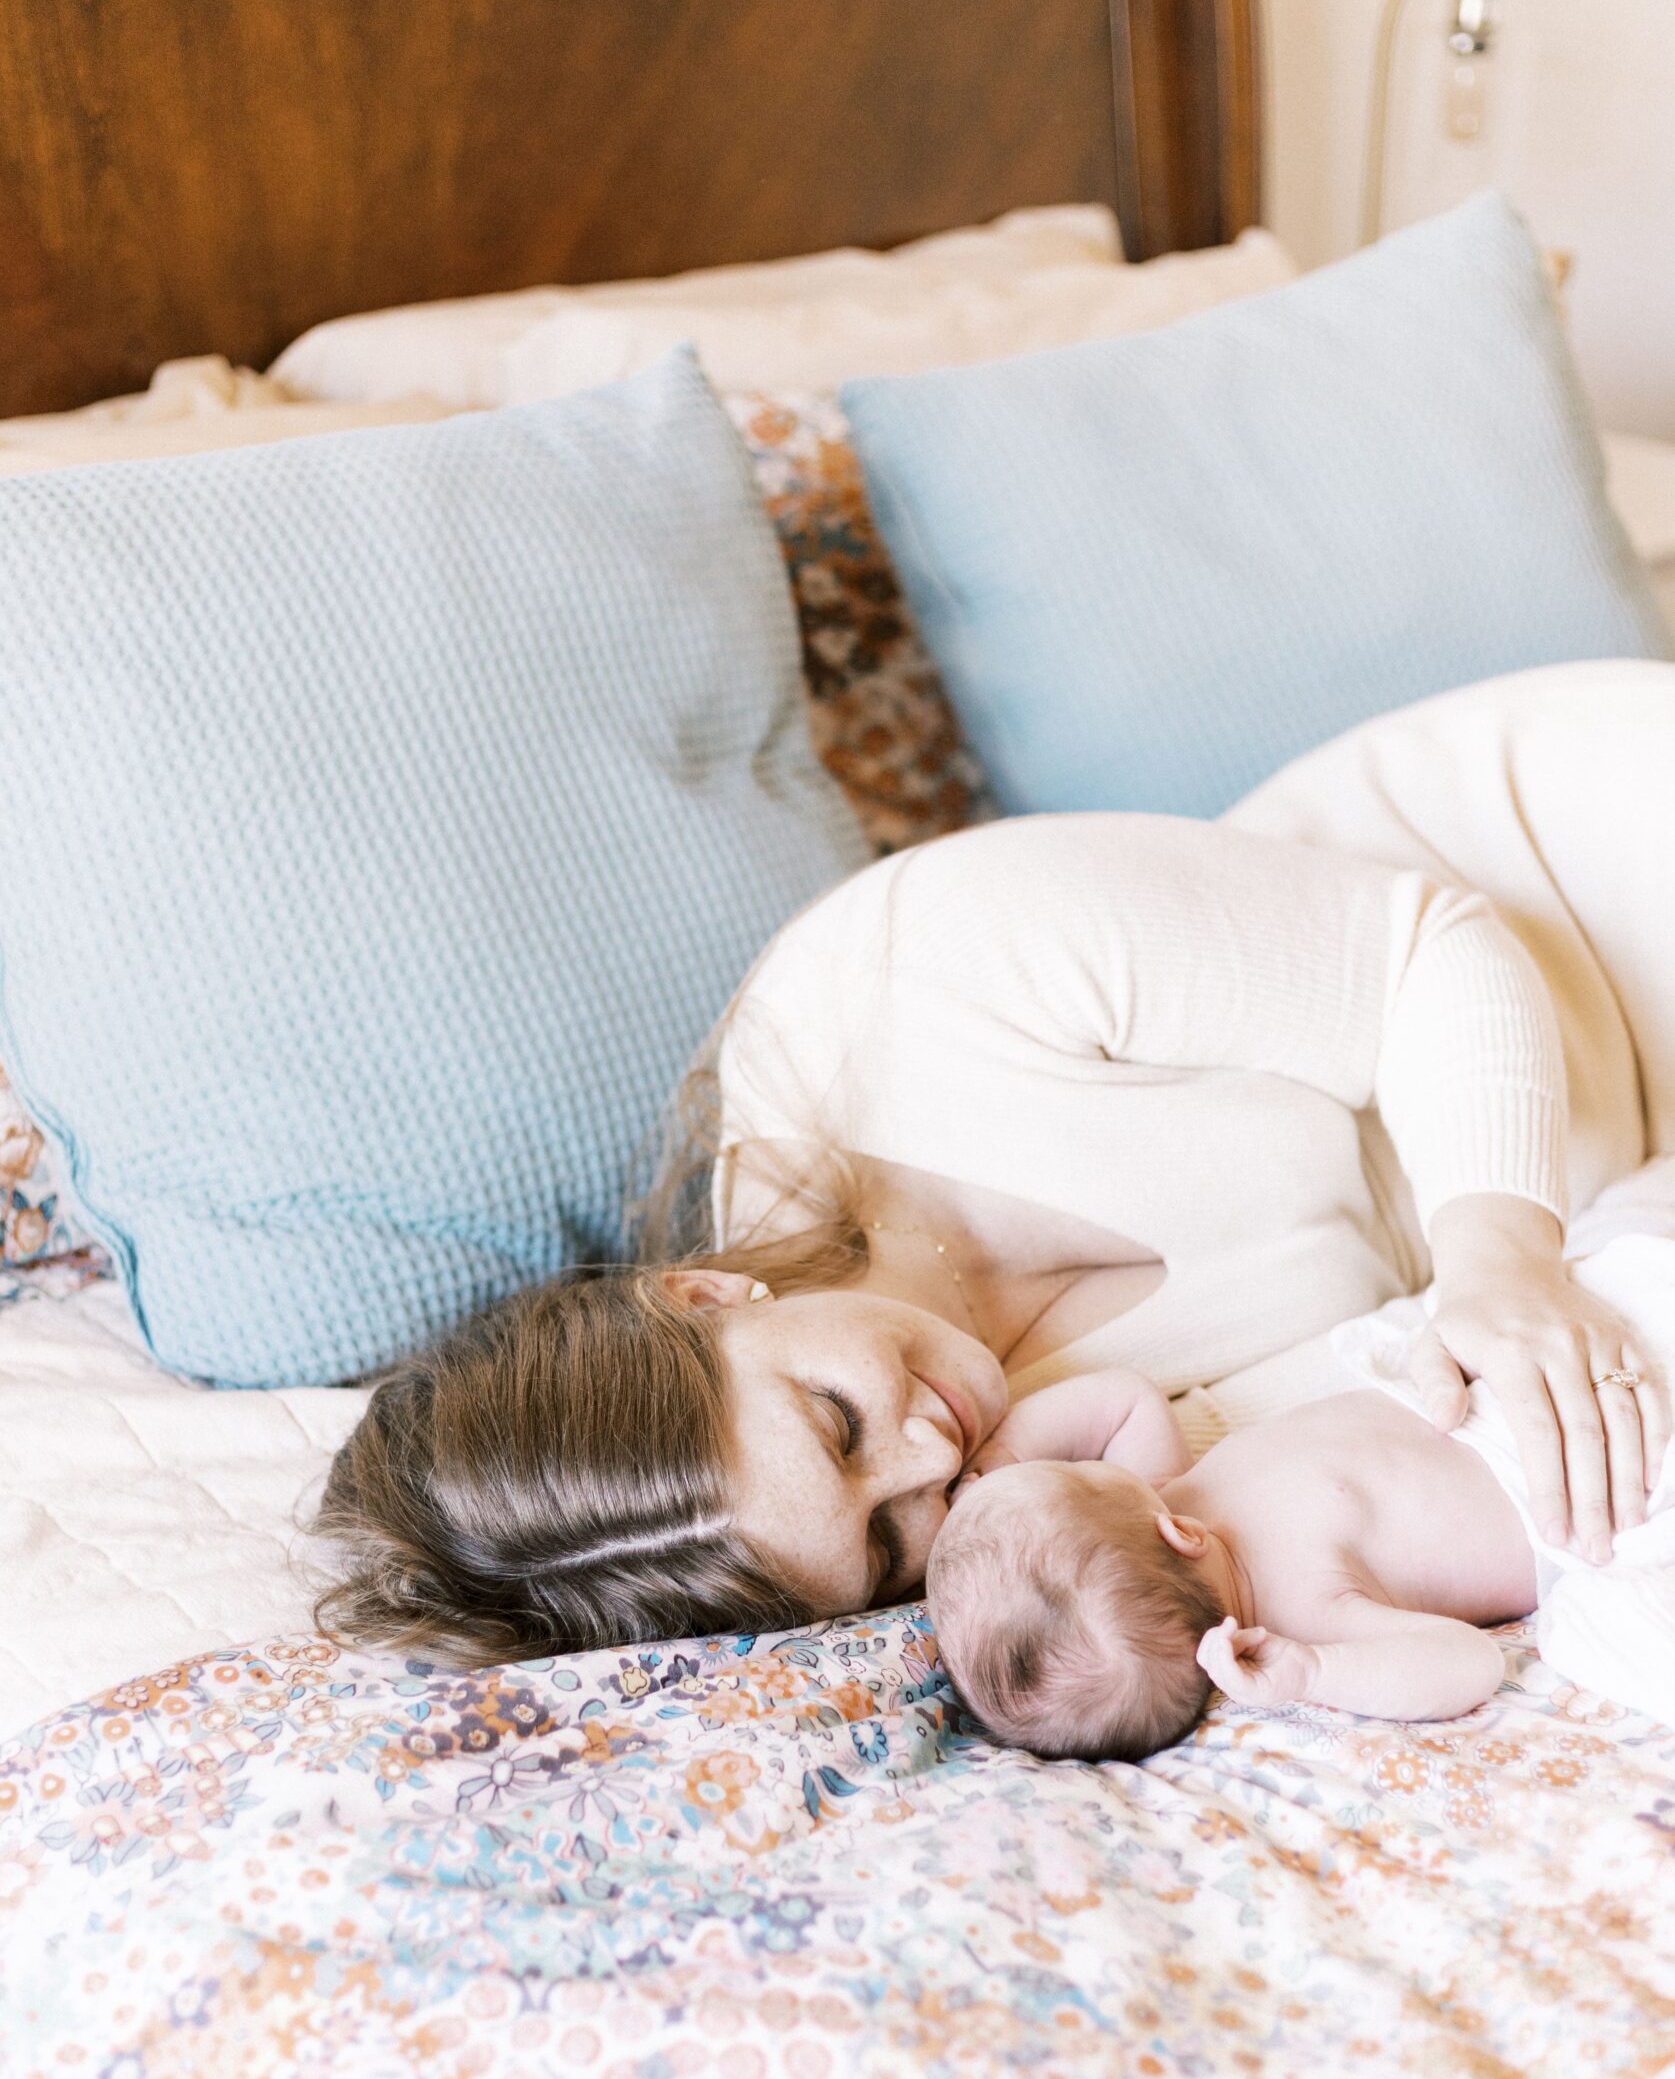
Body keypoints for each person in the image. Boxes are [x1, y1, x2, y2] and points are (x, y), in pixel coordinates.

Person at [315, 663, 1675, 1667]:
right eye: (885, 1539)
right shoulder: (1042, 1512)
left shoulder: (904, 979)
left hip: (1599, 894)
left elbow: (1426, 953)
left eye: (834, 1423)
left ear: (704, 1296)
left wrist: (1502, 1266)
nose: (925, 1458)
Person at [927, 1223, 1675, 1761]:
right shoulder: (1305, 1614)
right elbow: (1465, 1663)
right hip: (1596, 1471)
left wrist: (993, 1461)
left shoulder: (1171, 1493)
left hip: (1504, 1379)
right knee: (1596, 1628)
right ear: (1175, 1535)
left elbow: (1122, 1399)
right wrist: (1315, 1673)